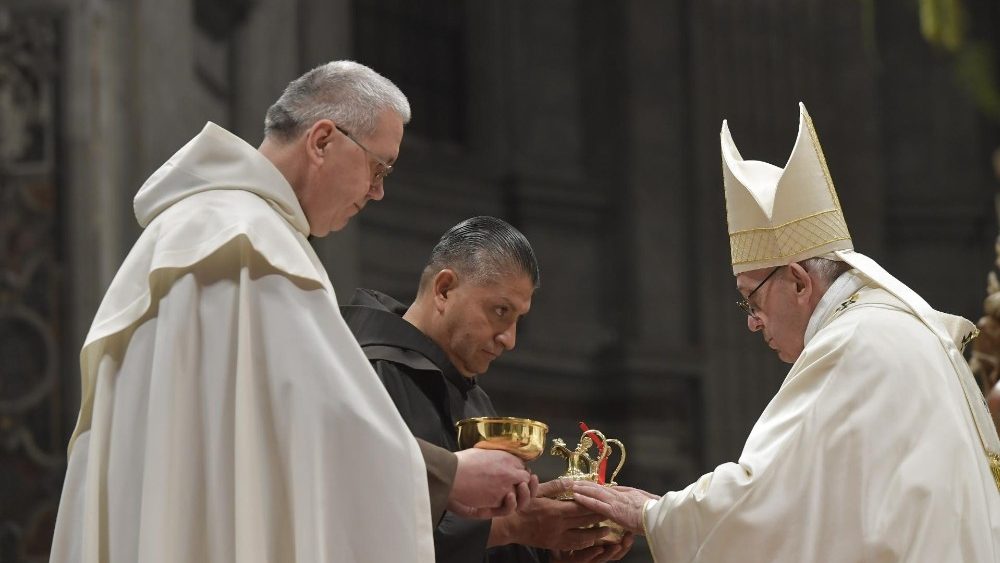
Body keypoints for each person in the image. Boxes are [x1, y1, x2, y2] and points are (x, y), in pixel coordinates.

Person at [49, 61, 533, 563]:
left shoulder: (188, 232)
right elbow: (321, 425)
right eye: (379, 168)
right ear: (322, 141)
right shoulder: (255, 249)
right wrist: (449, 477)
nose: (378, 191)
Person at [572, 103, 1000, 561]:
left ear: (798, 282)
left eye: (751, 299)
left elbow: (766, 498)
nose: (751, 321)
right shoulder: (887, 327)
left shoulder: (851, 342)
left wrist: (654, 515)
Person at [340, 216, 634, 563]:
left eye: (517, 319)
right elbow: (359, 524)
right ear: (444, 289)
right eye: (500, 311)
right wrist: (512, 526)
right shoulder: (366, 372)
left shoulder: (473, 398)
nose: (509, 339)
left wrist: (551, 546)